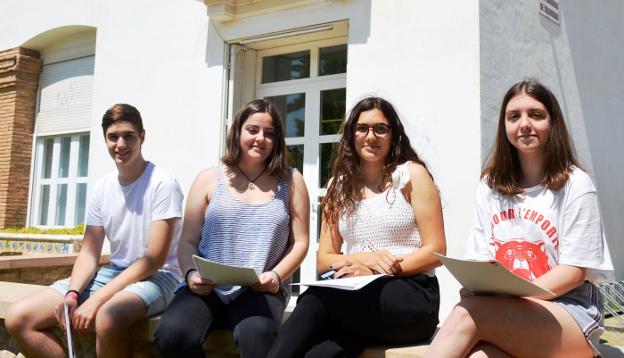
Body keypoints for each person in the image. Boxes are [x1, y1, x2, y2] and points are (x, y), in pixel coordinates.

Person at [426, 80, 613, 358]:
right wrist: (477, 289)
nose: (524, 124)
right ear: (504, 126)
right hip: (503, 311)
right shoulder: (489, 185)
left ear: (553, 123)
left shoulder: (576, 185)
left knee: (468, 313)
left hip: (569, 313)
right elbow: (480, 260)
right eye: (514, 116)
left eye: (535, 115)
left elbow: (573, 273)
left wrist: (502, 301)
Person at [269, 96, 446, 358]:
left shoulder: (411, 175)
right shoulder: (338, 186)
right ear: (351, 135)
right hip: (357, 301)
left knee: (316, 297)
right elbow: (324, 259)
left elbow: (436, 250)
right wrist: (365, 259)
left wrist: (376, 268)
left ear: (393, 134)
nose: (370, 136)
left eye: (380, 129)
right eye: (362, 128)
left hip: (412, 297)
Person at [5, 104, 184, 358]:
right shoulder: (103, 187)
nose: (120, 144)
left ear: (142, 137)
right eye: (113, 137)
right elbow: (89, 253)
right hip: (114, 272)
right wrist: (72, 294)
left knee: (108, 318)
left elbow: (154, 259)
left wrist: (96, 300)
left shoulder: (163, 183)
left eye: (128, 136)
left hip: (161, 277)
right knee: (18, 318)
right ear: (105, 139)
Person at [155, 99, 310, 358]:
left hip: (261, 290)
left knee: (257, 336)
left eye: (269, 133)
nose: (260, 138)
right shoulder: (208, 178)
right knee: (172, 334)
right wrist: (191, 274)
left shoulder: (291, 181)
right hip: (206, 287)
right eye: (253, 130)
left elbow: (301, 242)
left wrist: (277, 276)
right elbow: (187, 241)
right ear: (237, 131)